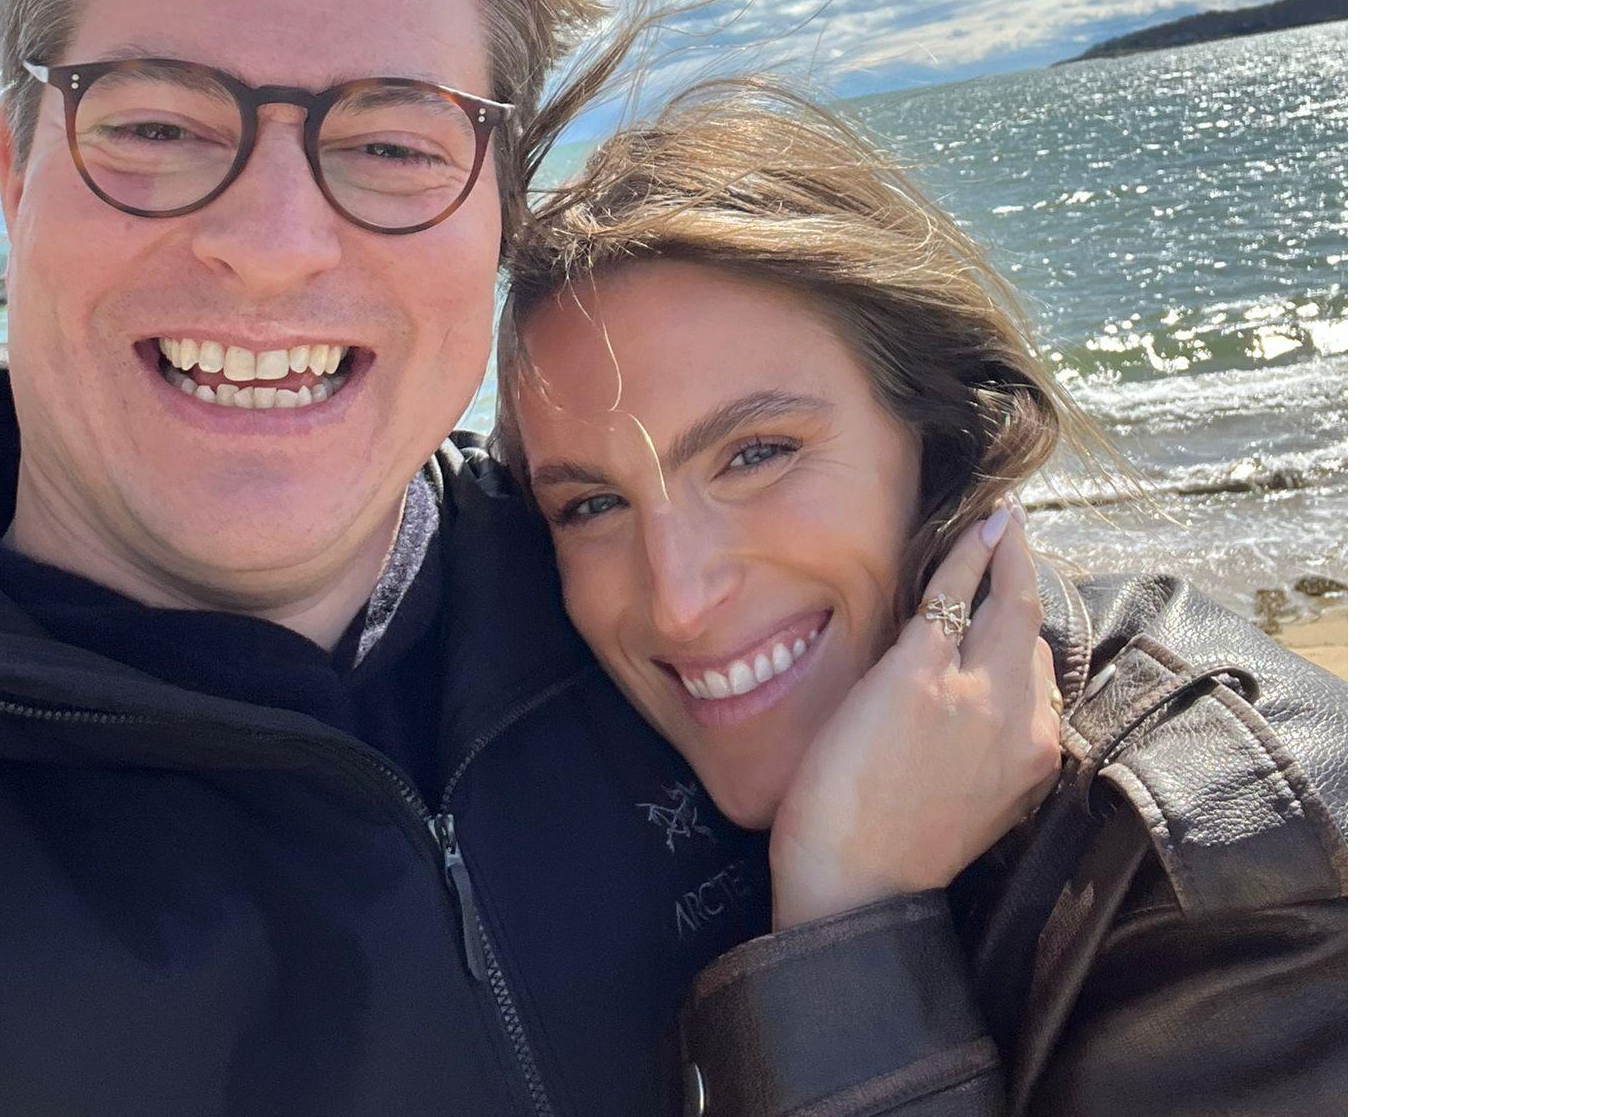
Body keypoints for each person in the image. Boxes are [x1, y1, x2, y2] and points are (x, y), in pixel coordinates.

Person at [0, 0, 805, 1117]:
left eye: (393, 145)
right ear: (15, 171)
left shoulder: (646, 604)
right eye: (156, 127)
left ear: (501, 217)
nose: (274, 244)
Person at [497, 80, 1349, 1117]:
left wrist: (850, 916)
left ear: (937, 437)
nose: (677, 601)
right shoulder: (612, 799)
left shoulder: (1250, 873)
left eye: (757, 453)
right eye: (591, 504)